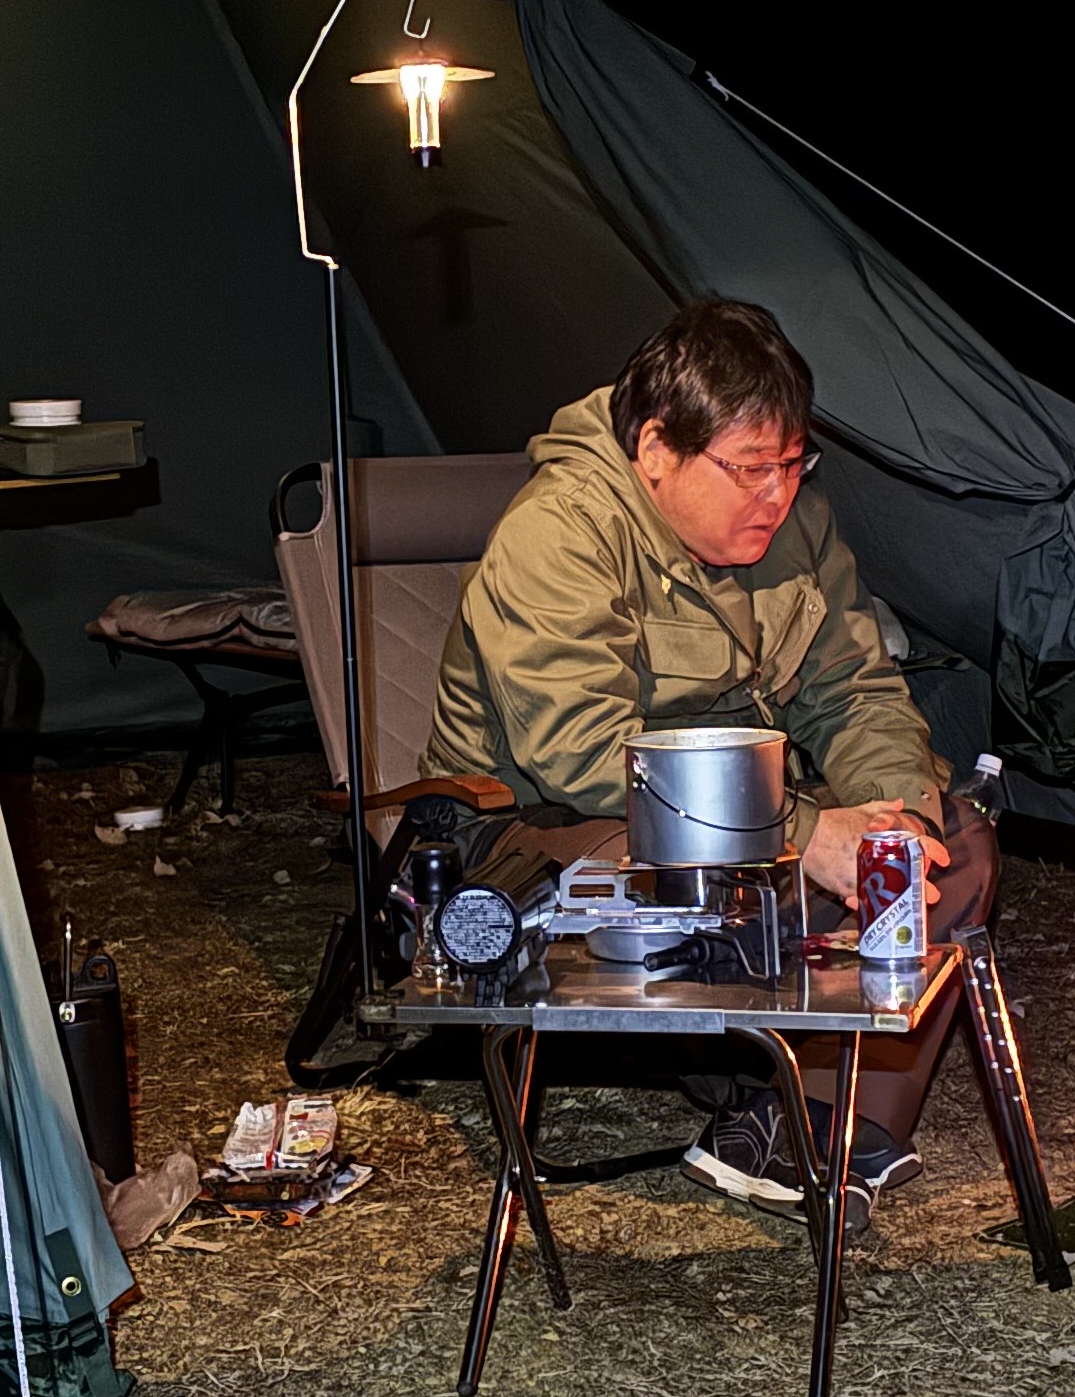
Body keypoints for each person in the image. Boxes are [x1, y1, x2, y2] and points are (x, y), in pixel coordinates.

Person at [417, 299, 999, 1214]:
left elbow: (856, 690)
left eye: (794, 463)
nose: (778, 493)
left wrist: (895, 823)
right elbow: (580, 753)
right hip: (545, 830)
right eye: (751, 467)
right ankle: (778, 1101)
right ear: (657, 448)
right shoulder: (562, 531)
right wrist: (805, 832)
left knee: (952, 847)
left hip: (727, 812)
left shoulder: (795, 528)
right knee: (724, 879)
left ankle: (811, 1122)